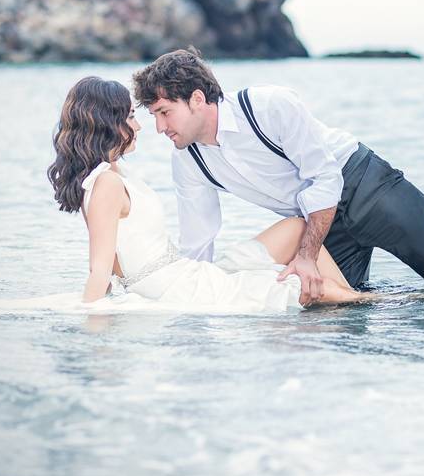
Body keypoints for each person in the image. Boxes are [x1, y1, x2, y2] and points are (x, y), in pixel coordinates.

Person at [131, 47, 424, 306]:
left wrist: (305, 256)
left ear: (198, 100)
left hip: (367, 189)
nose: (160, 127)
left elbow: (324, 178)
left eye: (164, 112)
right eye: (153, 116)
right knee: (335, 310)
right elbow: (198, 242)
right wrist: (184, 297)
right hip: (319, 226)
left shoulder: (269, 106)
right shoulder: (188, 160)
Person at [47, 76, 365, 309]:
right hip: (172, 287)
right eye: (130, 116)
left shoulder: (117, 174)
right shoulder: (106, 184)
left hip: (185, 273)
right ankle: (369, 303)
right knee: (299, 289)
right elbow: (101, 270)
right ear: (108, 123)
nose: (141, 126)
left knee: (297, 227)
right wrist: (93, 334)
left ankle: (355, 296)